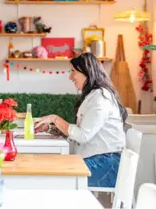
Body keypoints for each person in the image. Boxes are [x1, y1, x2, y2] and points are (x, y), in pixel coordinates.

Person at [34, 52, 127, 188]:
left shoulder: (100, 98)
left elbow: (83, 135)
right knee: (49, 169)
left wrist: (55, 118)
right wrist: (49, 128)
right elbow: (79, 133)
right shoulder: (93, 95)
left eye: (73, 71)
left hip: (107, 165)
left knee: (53, 175)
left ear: (87, 72)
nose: (70, 77)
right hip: (98, 159)